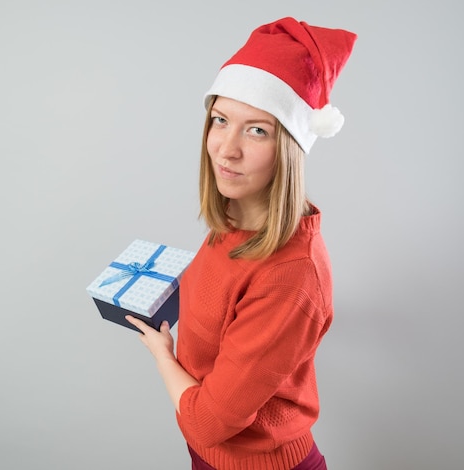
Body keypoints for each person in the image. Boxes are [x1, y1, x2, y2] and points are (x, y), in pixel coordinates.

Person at [125, 16, 357, 470]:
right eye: (220, 120)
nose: (226, 148)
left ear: (290, 147)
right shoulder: (237, 215)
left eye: (257, 130)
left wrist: (161, 355)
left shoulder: (291, 275)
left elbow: (205, 423)